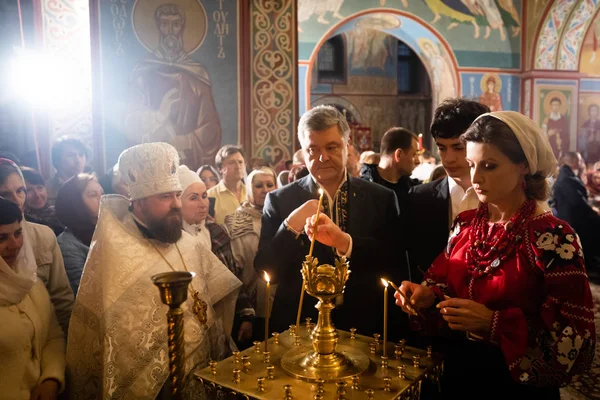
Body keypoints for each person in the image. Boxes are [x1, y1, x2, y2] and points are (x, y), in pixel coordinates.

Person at [396, 111, 595, 399]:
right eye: (471, 165)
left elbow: (576, 341)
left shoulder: (552, 238)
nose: (475, 178)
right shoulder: (465, 224)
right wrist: (427, 298)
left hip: (515, 386)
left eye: (489, 166)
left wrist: (494, 324)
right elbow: (442, 286)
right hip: (458, 375)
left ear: (523, 165)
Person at [67, 143, 241, 398]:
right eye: (164, 197)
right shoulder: (116, 252)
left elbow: (220, 294)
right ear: (137, 203)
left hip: (204, 373)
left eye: (176, 194)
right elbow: (118, 341)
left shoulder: (188, 242)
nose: (176, 204)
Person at [256, 105, 404, 338]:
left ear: (347, 146)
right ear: (303, 153)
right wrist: (291, 226)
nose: (322, 157)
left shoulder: (381, 198)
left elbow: (394, 264)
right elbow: (266, 270)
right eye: (312, 150)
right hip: (299, 325)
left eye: (332, 147)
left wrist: (346, 243)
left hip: (363, 324)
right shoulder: (279, 200)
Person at [126, 3, 222, 170]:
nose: (170, 31)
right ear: (158, 27)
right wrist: (159, 117)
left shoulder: (196, 74)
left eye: (175, 24)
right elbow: (131, 123)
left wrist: (185, 140)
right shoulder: (142, 73)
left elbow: (210, 125)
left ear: (182, 28)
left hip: (189, 164)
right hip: (153, 164)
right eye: (165, 24)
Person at [407, 99, 489, 282]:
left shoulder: (503, 196)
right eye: (442, 148)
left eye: (458, 147)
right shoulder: (420, 198)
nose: (448, 159)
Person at [178, 165, 254, 348]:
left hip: (222, 319)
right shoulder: (170, 242)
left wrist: (245, 314)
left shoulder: (215, 232)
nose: (203, 204)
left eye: (204, 196)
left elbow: (232, 274)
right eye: (193, 198)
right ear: (177, 202)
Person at [0, 198, 66, 400]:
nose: (15, 245)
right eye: (1, 238)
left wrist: (51, 379)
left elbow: (52, 335)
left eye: (18, 233)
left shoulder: (29, 280)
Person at [0, 159, 74, 335]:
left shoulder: (43, 236)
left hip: (49, 337)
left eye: (20, 191)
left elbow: (61, 297)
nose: (17, 201)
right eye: (5, 194)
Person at [224, 167, 278, 339]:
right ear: (249, 189)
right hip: (249, 301)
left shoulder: (284, 217)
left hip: (278, 302)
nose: (266, 190)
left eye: (270, 185)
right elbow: (232, 267)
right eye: (259, 186)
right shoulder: (235, 221)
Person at [552, 152, 600, 276]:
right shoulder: (567, 178)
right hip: (572, 219)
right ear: (574, 162)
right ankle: (590, 262)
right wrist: (594, 211)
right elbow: (578, 202)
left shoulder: (566, 174)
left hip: (571, 215)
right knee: (596, 222)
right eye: (579, 160)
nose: (582, 162)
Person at [55, 174, 103, 295]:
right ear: (75, 203)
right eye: (93, 195)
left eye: (102, 194)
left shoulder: (110, 230)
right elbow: (85, 292)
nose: (102, 199)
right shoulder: (68, 245)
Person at [360, 127, 420, 218]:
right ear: (398, 154)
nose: (418, 161)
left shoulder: (413, 191)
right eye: (414, 155)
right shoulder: (362, 191)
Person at [208, 145, 247, 224]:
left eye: (240, 162)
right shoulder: (210, 196)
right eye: (232, 162)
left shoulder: (251, 193)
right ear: (220, 168)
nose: (238, 166)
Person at [21, 167, 65, 235]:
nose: (37, 195)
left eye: (40, 187)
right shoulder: (21, 224)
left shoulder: (60, 213)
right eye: (29, 190)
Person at [45, 137, 88, 206]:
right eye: (71, 155)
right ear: (57, 160)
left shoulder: (94, 186)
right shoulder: (46, 189)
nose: (78, 160)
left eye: (81, 155)